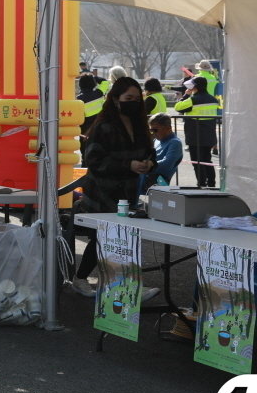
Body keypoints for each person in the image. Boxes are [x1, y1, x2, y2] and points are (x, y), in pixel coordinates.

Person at [71, 76, 159, 301]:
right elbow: (93, 160)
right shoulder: (103, 126)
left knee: (119, 238)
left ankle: (122, 285)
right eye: (129, 98)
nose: (134, 102)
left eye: (137, 98)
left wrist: (149, 163)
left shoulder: (140, 124)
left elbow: (151, 154)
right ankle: (92, 281)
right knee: (104, 237)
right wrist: (127, 164)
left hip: (127, 192)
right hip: (102, 192)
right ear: (115, 98)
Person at [174, 76, 220, 188]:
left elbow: (178, 107)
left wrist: (186, 95)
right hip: (209, 135)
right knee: (207, 160)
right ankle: (212, 184)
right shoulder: (214, 100)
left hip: (195, 135)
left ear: (195, 87)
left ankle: (201, 184)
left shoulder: (193, 100)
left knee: (197, 162)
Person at [146, 113, 183, 188]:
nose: (153, 133)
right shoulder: (156, 140)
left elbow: (167, 164)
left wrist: (149, 164)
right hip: (147, 177)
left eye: (155, 130)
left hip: (157, 182)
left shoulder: (175, 143)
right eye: (151, 130)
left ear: (168, 128)